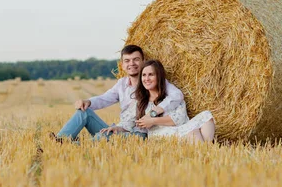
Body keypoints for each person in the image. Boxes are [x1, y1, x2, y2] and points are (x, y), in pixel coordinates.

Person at [50, 45, 184, 142]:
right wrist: (88, 102)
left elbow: (177, 95)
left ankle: (74, 146)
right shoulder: (122, 83)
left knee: (103, 137)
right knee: (84, 112)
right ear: (122, 65)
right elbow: (105, 98)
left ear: (143, 61)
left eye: (136, 59)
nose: (132, 63)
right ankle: (61, 140)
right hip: (121, 128)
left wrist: (155, 112)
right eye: (127, 60)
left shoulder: (153, 81)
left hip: (137, 133)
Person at [100, 60, 216, 143]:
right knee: (193, 132)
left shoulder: (171, 98)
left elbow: (180, 119)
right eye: (144, 75)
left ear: (159, 77)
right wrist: (117, 128)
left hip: (180, 128)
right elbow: (128, 123)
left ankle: (204, 153)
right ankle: (206, 155)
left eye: (151, 75)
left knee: (207, 115)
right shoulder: (139, 102)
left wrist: (153, 120)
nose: (146, 79)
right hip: (160, 135)